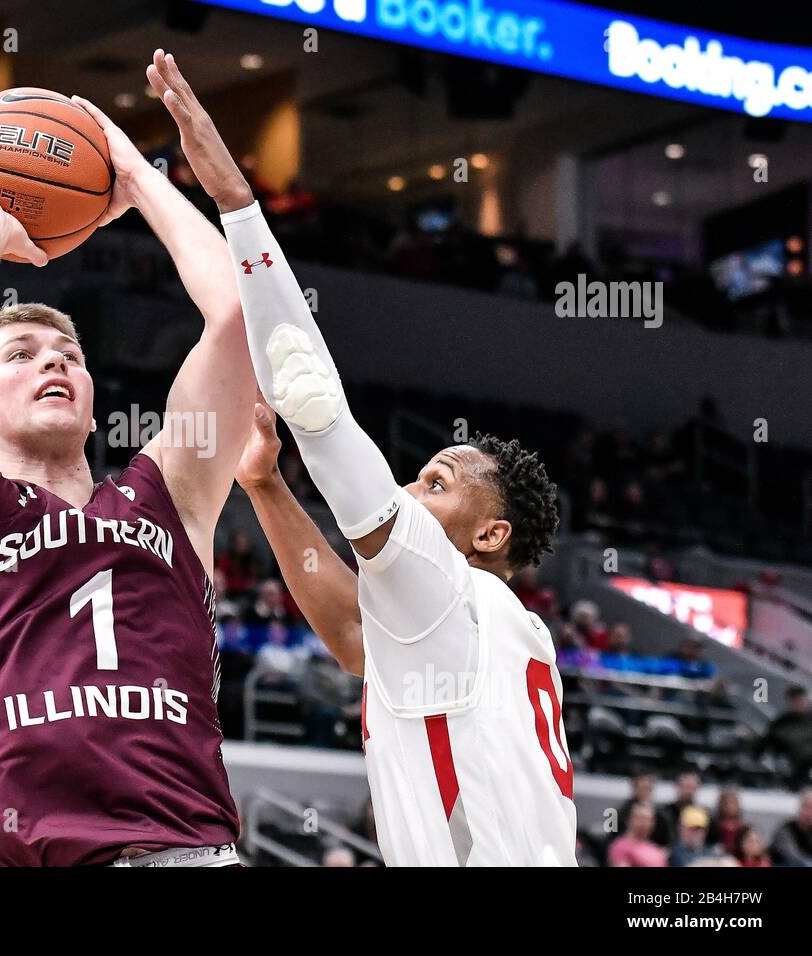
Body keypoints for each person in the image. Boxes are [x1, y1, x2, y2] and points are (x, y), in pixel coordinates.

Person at [150, 50, 572, 865]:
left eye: (438, 483)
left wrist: (238, 205)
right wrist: (266, 488)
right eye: (418, 476)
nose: (411, 492)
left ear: (488, 537)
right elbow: (350, 635)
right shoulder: (497, 630)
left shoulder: (451, 595)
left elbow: (317, 407)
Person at [0, 71, 255, 865]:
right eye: (18, 355)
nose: (51, 362)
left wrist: (137, 177)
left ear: (93, 399)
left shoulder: (171, 494)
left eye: (69, 355)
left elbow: (240, 318)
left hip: (185, 854)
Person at [607, 802, 668, 867]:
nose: (645, 823)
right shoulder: (620, 847)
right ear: (629, 820)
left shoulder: (656, 850)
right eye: (641, 818)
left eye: (649, 820)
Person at [769, 789, 812, 866]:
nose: (809, 812)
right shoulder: (785, 831)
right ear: (800, 808)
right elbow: (793, 857)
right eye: (807, 807)